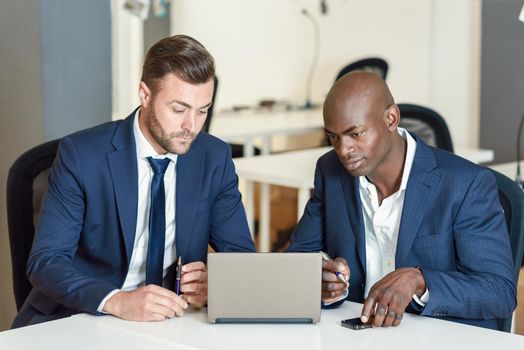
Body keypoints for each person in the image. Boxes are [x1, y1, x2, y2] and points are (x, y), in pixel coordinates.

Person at [13, 35, 255, 328]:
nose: (191, 126)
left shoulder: (214, 158)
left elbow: (242, 258)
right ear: (145, 94)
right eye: (179, 109)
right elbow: (46, 262)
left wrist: (216, 285)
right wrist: (117, 300)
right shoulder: (81, 155)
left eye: (202, 111)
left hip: (170, 321)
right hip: (82, 318)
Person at [288, 71, 516, 330]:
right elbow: (297, 259)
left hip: (438, 338)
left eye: (356, 134)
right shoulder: (330, 171)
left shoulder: (465, 184)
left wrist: (419, 281)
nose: (343, 150)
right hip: (354, 336)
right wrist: (322, 280)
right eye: (334, 137)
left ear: (391, 118)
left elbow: (499, 292)